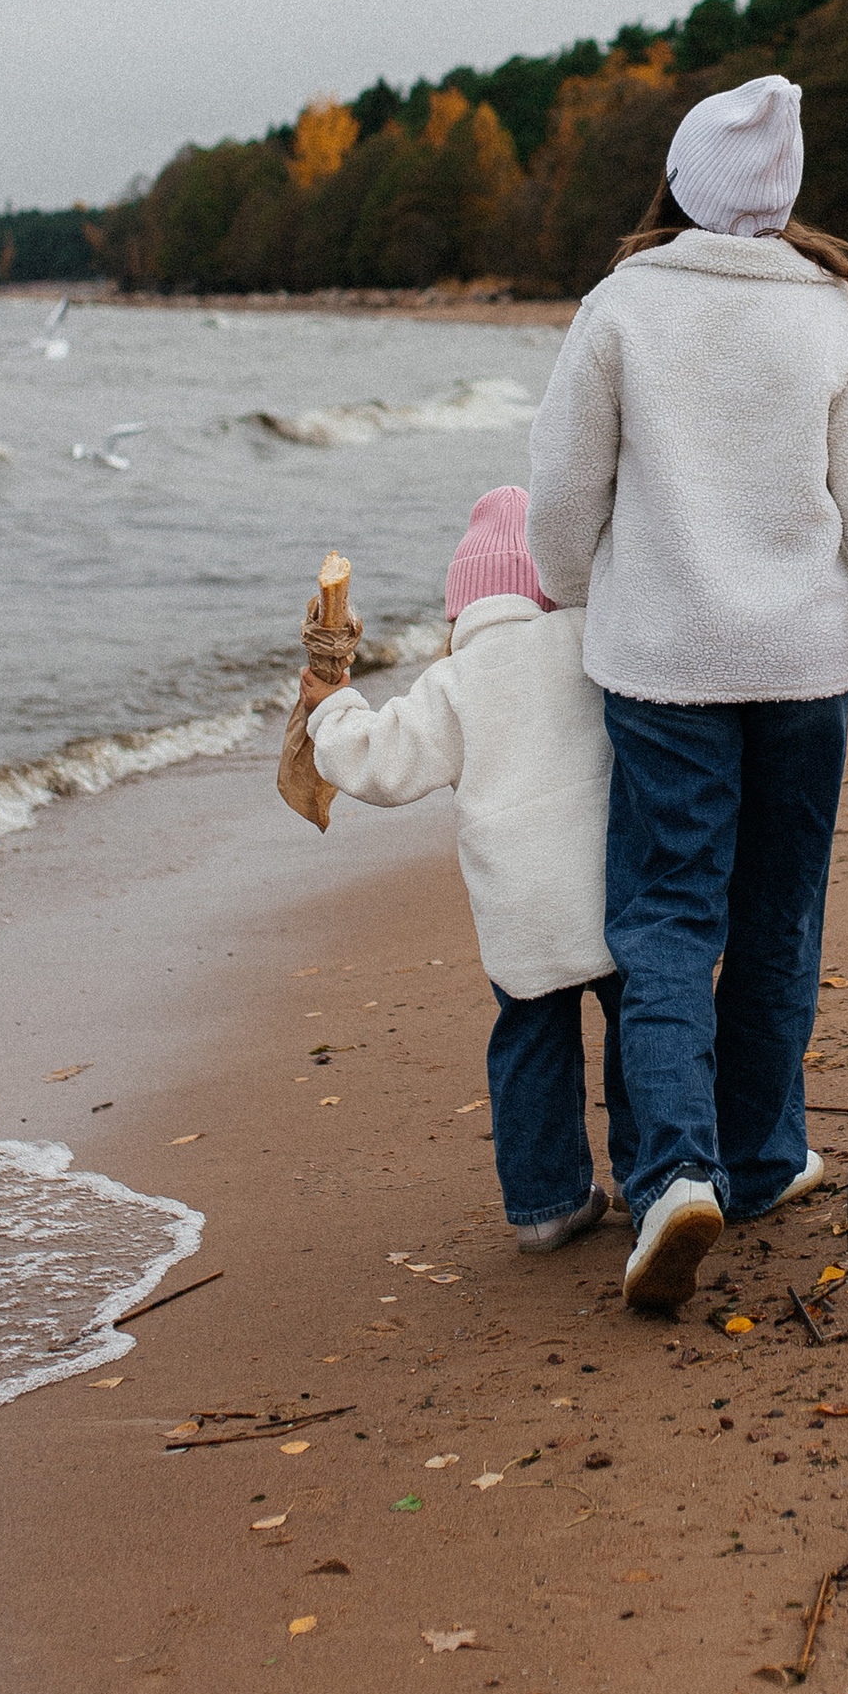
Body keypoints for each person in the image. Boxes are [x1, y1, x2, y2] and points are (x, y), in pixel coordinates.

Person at [527, 73, 848, 1316]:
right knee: (779, 918)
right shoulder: (833, 316)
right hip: (799, 671)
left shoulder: (622, 306)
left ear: (678, 184)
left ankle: (676, 1172)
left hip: (663, 670)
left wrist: (571, 591)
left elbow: (562, 495)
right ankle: (763, 1156)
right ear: (782, 199)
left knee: (669, 919)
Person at [299, 486, 622, 1256]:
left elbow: (379, 765)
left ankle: (546, 1205)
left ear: (460, 608)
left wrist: (332, 708)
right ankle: (653, 1181)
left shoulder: (454, 683)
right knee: (638, 1029)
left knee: (531, 1041)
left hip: (521, 909)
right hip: (611, 887)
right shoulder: (589, 642)